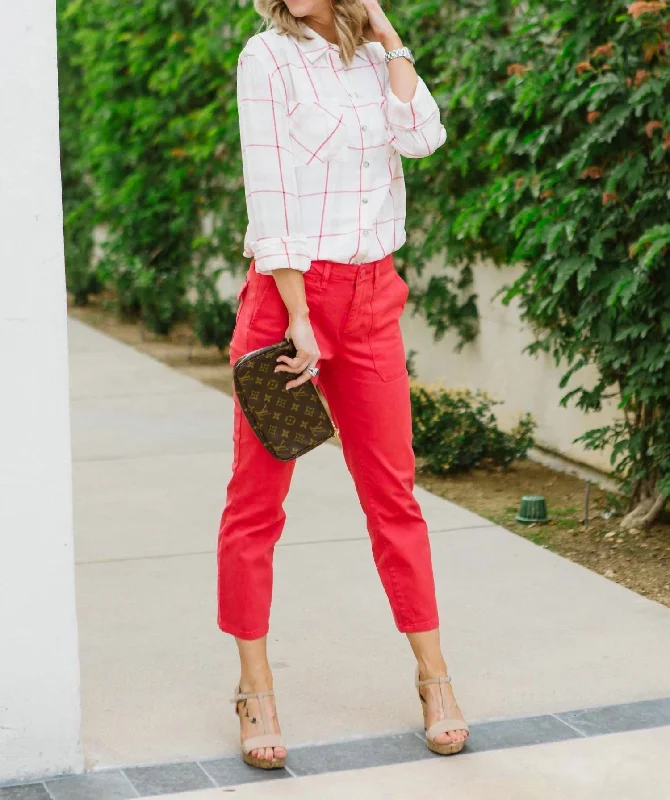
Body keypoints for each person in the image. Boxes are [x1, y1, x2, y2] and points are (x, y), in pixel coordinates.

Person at [218, 0, 469, 770]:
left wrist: (390, 37)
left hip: (370, 298)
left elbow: (424, 137)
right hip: (286, 299)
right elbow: (271, 193)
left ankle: (434, 677)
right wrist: (298, 313)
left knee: (393, 495)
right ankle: (255, 687)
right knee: (256, 502)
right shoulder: (266, 57)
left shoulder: (372, 59)